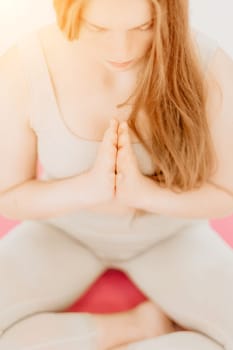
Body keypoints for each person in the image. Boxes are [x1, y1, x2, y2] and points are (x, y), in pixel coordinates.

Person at [0, 0, 233, 349]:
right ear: (69, 11)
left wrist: (143, 195)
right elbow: (10, 197)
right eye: (98, 28)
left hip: (172, 235)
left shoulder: (207, 63)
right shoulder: (24, 63)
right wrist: (90, 188)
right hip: (62, 232)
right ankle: (134, 327)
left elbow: (225, 195)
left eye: (144, 26)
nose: (121, 51)